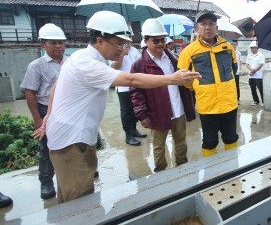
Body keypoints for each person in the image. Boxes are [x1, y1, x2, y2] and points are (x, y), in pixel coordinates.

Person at [32, 11, 200, 203]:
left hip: (71, 136)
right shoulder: (87, 63)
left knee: (69, 200)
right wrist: (172, 78)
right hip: (72, 142)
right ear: (100, 40)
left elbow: (55, 87)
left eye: (124, 43)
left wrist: (49, 116)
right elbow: (131, 79)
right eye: (119, 43)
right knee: (80, 202)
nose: (122, 49)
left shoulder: (84, 57)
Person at [130, 19, 196, 172]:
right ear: (146, 41)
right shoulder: (139, 65)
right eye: (156, 41)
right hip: (157, 112)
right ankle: (161, 172)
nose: (160, 44)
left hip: (178, 109)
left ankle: (182, 169)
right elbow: (135, 91)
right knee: (159, 146)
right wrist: (141, 113)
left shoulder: (173, 59)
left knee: (181, 143)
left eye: (163, 40)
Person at [177, 10, 239, 157]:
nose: (208, 27)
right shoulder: (188, 52)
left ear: (217, 28)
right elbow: (184, 79)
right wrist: (199, 87)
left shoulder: (228, 47)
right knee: (210, 141)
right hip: (207, 106)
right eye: (203, 24)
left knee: (231, 137)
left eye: (211, 23)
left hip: (229, 104)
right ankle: (211, 174)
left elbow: (234, 68)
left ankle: (232, 167)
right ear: (197, 28)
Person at [20, 23, 67, 200]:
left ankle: (80, 171)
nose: (58, 46)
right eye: (53, 43)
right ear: (43, 45)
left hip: (66, 108)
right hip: (45, 108)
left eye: (61, 42)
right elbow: (30, 92)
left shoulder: (70, 63)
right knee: (46, 147)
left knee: (73, 142)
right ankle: (46, 182)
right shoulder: (36, 66)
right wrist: (38, 119)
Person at [111, 43, 147, 146]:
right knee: (126, 112)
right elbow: (114, 67)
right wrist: (122, 54)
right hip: (123, 87)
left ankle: (134, 130)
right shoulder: (118, 49)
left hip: (135, 86)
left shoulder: (134, 50)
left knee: (134, 109)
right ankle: (128, 135)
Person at [246, 41, 265, 106]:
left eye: (253, 48)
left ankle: (263, 101)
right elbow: (247, 64)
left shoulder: (261, 55)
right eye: (251, 48)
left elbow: (261, 64)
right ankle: (256, 101)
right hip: (251, 76)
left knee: (261, 89)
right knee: (253, 89)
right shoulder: (249, 55)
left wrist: (254, 71)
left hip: (258, 76)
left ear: (256, 48)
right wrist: (251, 70)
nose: (251, 49)